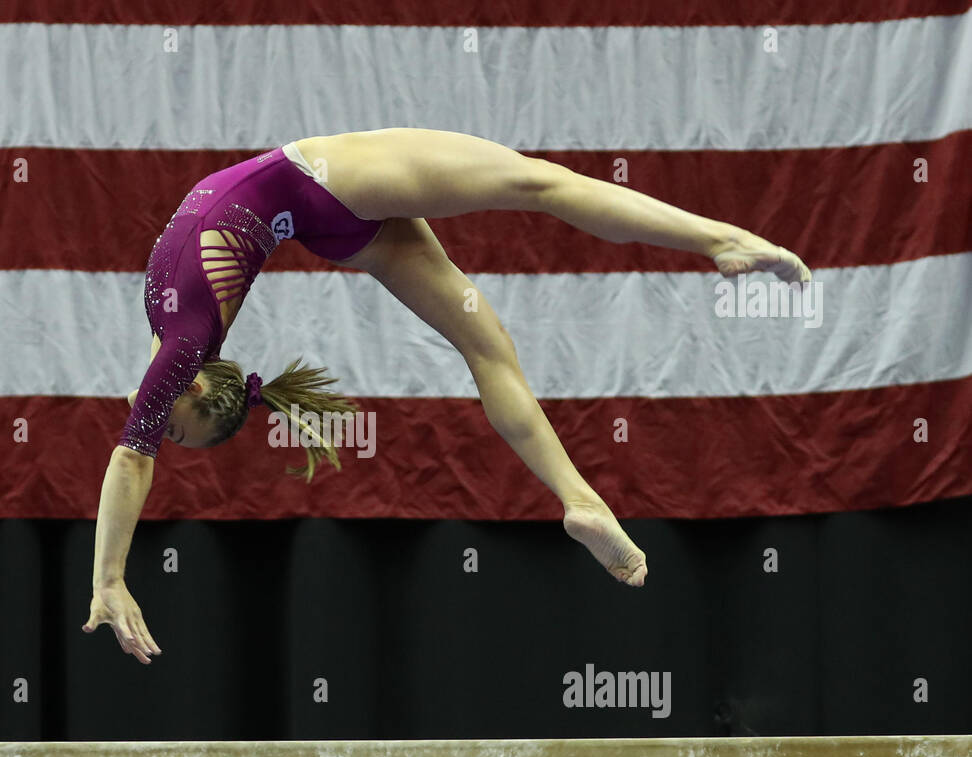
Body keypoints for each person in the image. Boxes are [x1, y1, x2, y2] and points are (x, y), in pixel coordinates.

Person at [82, 128, 812, 663]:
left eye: (174, 431)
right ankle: (584, 490)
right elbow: (135, 453)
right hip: (325, 188)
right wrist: (109, 575)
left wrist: (111, 578)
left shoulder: (178, 346)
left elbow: (133, 455)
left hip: (322, 197)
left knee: (503, 287)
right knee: (528, 205)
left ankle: (714, 248)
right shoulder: (180, 345)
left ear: (202, 383)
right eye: (177, 430)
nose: (156, 424)